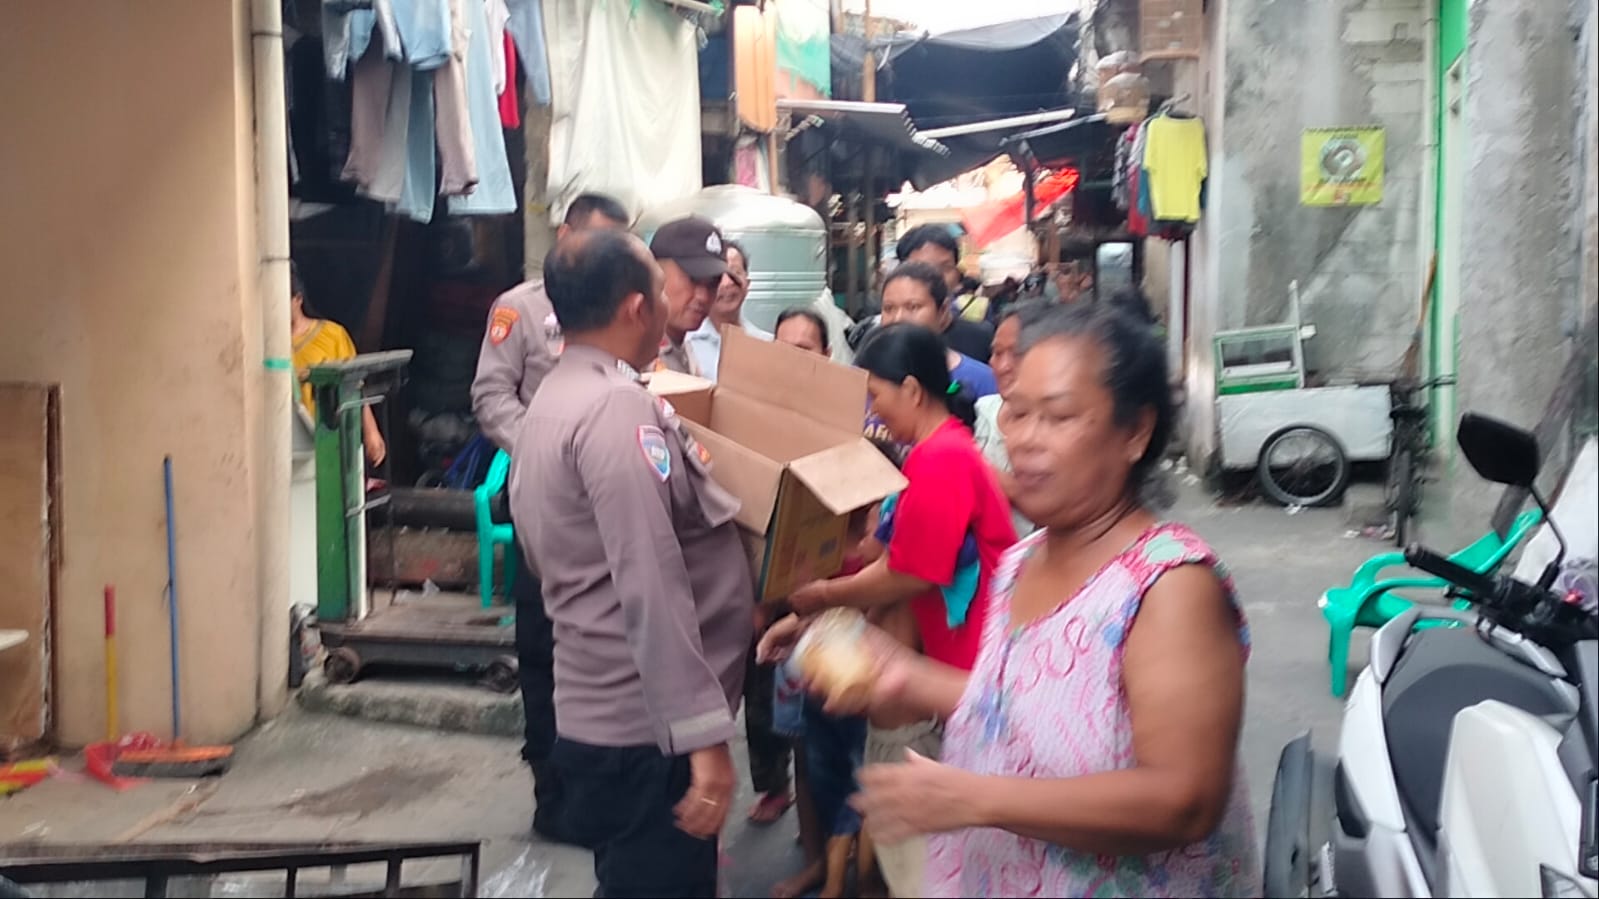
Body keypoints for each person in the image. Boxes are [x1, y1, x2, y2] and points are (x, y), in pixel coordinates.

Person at [779, 302, 1261, 898]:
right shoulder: (1022, 560)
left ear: (1135, 432)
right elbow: (1029, 704)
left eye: (1058, 417)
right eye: (1016, 411)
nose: (1024, 440)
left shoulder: (1169, 586)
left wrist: (975, 798)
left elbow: (1184, 800)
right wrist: (904, 675)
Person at [510, 229, 753, 897]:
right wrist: (702, 737)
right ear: (636, 307)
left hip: (600, 713)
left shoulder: (552, 399)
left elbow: (542, 552)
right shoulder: (616, 409)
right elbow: (651, 583)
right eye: (661, 289)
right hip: (643, 732)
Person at [783, 322, 1018, 898]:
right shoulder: (936, 451)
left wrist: (824, 596)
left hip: (968, 659)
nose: (874, 409)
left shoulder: (941, 458)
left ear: (911, 389)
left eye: (877, 394)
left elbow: (911, 572)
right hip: (957, 654)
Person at [467, 191, 629, 845]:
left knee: (607, 644)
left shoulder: (625, 307)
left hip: (610, 504)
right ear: (565, 236)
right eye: (600, 243)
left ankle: (605, 786)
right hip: (547, 503)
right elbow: (490, 395)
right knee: (544, 649)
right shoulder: (521, 308)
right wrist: (545, 448)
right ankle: (552, 792)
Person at [291, 262, 386, 468]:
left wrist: (371, 432)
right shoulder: (267, 344)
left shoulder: (332, 335)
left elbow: (354, 386)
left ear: (298, 299)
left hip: (329, 438)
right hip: (289, 446)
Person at [973, 300, 1051, 540]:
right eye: (997, 353)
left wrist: (981, 470)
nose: (1004, 366)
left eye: (1018, 354)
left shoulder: (1060, 431)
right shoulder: (982, 410)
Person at [878, 263, 999, 398]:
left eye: (913, 307)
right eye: (889, 308)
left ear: (942, 311)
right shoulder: (866, 378)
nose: (898, 318)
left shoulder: (984, 382)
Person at [895, 224, 994, 362]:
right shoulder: (883, 338)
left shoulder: (982, 338)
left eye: (945, 268)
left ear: (957, 273)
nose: (936, 276)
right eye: (923, 268)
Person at [650, 216, 727, 375]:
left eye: (713, 283)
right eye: (693, 279)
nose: (703, 296)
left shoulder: (684, 348)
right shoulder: (635, 356)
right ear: (655, 272)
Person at [686, 240, 773, 381]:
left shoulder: (767, 345)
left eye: (735, 273)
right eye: (718, 276)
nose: (727, 283)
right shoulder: (686, 345)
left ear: (747, 283)